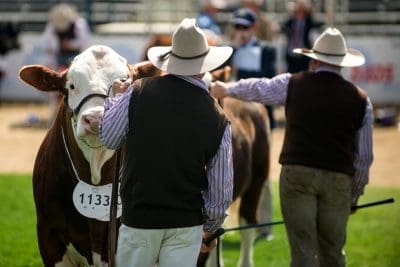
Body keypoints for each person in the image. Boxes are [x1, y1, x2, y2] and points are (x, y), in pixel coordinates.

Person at [210, 27, 374, 267]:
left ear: (314, 60)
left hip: (297, 176)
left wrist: (226, 89)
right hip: (338, 180)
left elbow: (259, 88)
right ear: (341, 64)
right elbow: (364, 157)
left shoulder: (293, 84)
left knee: (302, 251)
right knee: (333, 252)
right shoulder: (361, 99)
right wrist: (355, 195)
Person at [100, 18, 234, 267]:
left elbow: (108, 139)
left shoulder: (136, 91)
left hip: (139, 218)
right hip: (186, 223)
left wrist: (114, 100)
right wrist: (211, 228)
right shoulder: (219, 118)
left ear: (171, 60)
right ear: (204, 65)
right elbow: (221, 189)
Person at [40, 3, 91, 125]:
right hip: (59, 58)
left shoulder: (79, 23)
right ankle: (55, 117)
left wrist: (70, 44)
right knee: (57, 90)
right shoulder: (52, 25)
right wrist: (54, 48)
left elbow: (84, 40)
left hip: (75, 59)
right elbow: (46, 43)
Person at [282, 0, 323, 73]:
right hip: (291, 53)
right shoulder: (291, 20)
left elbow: (319, 24)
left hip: (303, 54)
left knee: (303, 76)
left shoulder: (309, 21)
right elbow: (283, 27)